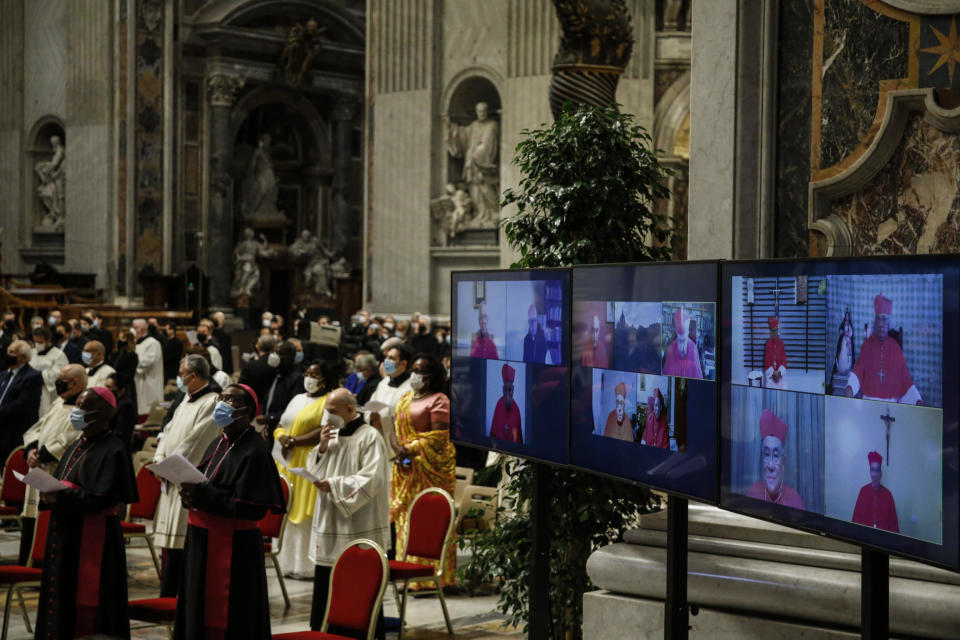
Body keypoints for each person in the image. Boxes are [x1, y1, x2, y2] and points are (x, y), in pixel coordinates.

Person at [174, 384, 286, 639]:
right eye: (222, 398)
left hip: (233, 548)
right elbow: (206, 481)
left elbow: (251, 508)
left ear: (247, 411)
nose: (223, 404)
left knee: (229, 617)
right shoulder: (219, 442)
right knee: (196, 606)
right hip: (202, 541)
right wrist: (190, 494)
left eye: (231, 400)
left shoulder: (255, 450)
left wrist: (200, 494)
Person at [34, 386, 138, 639]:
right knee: (60, 599)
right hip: (66, 534)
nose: (76, 411)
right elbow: (62, 483)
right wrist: (48, 493)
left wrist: (60, 495)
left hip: (95, 539)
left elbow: (103, 498)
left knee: (88, 606)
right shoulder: (75, 444)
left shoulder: (114, 449)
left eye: (82, 407)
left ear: (100, 414)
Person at [306, 388, 391, 634]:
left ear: (351, 410)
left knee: (358, 583)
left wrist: (334, 485)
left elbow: (372, 478)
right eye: (326, 411)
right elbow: (315, 468)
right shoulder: (330, 436)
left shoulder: (370, 437)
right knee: (326, 581)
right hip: (329, 519)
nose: (327, 417)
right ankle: (323, 631)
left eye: (332, 412)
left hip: (358, 522)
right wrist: (321, 449)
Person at [152, 355, 221, 597]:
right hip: (170, 476)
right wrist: (159, 460)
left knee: (182, 545)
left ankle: (176, 598)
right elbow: (167, 430)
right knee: (168, 546)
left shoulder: (211, 402)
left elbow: (196, 442)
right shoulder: (184, 400)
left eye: (182, 374)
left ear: (194, 375)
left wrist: (170, 467)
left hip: (186, 480)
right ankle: (167, 594)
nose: (179, 379)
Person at [389, 354, 457, 586]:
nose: (415, 375)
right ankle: (407, 569)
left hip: (430, 470)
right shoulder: (406, 397)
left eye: (420, 371)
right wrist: (397, 447)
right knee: (405, 520)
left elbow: (440, 437)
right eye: (414, 370)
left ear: (431, 377)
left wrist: (409, 448)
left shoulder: (440, 400)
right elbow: (396, 428)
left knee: (427, 518)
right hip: (406, 467)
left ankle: (431, 576)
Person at [19, 364, 87, 564]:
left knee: (48, 522)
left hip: (55, 471)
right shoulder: (59, 401)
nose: (58, 382)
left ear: (75, 382)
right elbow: (37, 428)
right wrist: (31, 449)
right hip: (38, 467)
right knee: (32, 520)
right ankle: (28, 565)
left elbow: (72, 438)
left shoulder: (82, 406)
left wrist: (42, 455)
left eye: (62, 378)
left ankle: (44, 568)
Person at [273, 362, 334, 578]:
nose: (309, 377)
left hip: (308, 461)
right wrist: (282, 436)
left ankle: (304, 567)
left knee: (304, 512)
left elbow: (324, 430)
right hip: (286, 459)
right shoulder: (297, 399)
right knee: (287, 510)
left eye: (314, 374)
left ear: (324, 379)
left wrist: (295, 441)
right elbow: (281, 424)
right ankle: (285, 562)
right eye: (307, 373)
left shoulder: (327, 401)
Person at [845, 294, 921, 404]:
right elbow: (858, 372)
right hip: (868, 403)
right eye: (878, 319)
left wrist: (917, 400)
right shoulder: (867, 345)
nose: (881, 324)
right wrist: (850, 388)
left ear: (889, 323)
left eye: (884, 319)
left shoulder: (895, 348)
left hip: (890, 405)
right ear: (875, 322)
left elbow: (905, 380)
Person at [443, 102, 500, 225]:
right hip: (471, 165)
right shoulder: (474, 126)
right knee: (474, 189)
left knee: (485, 188)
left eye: (484, 111)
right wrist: (450, 126)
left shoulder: (492, 125)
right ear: (476, 112)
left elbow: (488, 145)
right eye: (479, 111)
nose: (482, 114)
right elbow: (462, 135)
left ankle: (494, 213)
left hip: (483, 165)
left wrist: (476, 156)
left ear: (487, 111)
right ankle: (481, 214)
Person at [746, 409, 805, 508]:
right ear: (761, 459)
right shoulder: (753, 492)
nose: (771, 465)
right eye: (767, 454)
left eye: (776, 456)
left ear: (783, 462)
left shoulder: (795, 500)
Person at [0, 340, 42, 469]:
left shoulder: (32, 376)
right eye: (8, 352)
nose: (8, 355)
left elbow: (22, 405)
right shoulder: (3, 374)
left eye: (12, 353)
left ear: (24, 358)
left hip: (15, 431)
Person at [367, 344, 414, 443]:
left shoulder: (411, 389)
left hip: (398, 441)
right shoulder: (383, 383)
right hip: (377, 437)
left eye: (391, 358)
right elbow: (370, 406)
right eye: (386, 357)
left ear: (403, 364)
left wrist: (383, 422)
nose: (386, 361)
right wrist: (371, 417)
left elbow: (409, 419)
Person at [262, 341, 305, 436]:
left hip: (284, 429)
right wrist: (265, 421)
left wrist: (271, 418)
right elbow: (268, 397)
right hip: (270, 425)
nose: (273, 356)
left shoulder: (297, 378)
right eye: (274, 352)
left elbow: (294, 408)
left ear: (288, 358)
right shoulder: (275, 373)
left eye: (277, 353)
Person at [852, 451, 899, 532]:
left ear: (881, 473)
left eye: (877, 470)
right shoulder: (863, 491)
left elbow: (893, 524)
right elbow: (856, 519)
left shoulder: (888, 495)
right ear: (870, 473)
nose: (875, 474)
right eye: (873, 470)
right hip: (865, 536)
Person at [30, 326, 70, 415]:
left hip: (49, 392)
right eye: (35, 342)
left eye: (40, 342)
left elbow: (57, 374)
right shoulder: (31, 352)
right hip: (31, 390)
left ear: (48, 340)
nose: (37, 345)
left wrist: (35, 376)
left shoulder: (59, 355)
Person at [662, 307, 703, 379]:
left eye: (683, 340)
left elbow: (696, 374)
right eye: (680, 340)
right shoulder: (672, 347)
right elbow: (667, 372)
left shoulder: (693, 347)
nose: (682, 343)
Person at [134, 318, 164, 415]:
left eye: (135, 328)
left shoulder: (153, 343)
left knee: (147, 410)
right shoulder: (137, 343)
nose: (133, 331)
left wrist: (132, 362)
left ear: (141, 329)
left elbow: (148, 362)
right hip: (138, 381)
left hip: (149, 381)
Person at [488, 363, 522, 443]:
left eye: (509, 389)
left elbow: (519, 438)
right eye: (505, 389)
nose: (507, 394)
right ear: (502, 390)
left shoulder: (516, 409)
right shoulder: (498, 404)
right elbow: (493, 431)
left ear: (513, 390)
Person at [239, 334, 279, 403]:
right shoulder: (278, 365)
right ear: (273, 347)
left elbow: (241, 387)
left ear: (258, 347)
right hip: (274, 403)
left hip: (254, 404)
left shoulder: (249, 366)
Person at [105, 372, 138, 450]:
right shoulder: (109, 402)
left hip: (117, 449)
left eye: (109, 387)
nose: (106, 390)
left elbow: (120, 433)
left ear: (121, 390)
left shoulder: (126, 405)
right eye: (105, 386)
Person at [763, 317, 787, 390]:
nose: (774, 333)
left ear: (777, 331)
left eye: (775, 330)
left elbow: (784, 361)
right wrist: (773, 373)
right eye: (772, 331)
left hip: (780, 377)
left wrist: (779, 372)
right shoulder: (768, 344)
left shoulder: (781, 343)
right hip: (771, 378)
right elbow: (767, 362)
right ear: (770, 332)